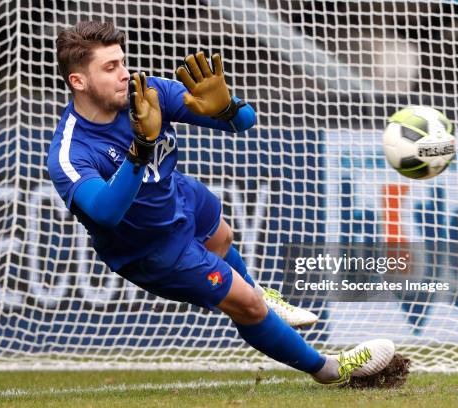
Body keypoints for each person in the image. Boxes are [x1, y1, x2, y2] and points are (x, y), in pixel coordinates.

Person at [47, 21, 394, 384]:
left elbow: (244, 122)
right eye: (110, 67)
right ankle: (328, 370)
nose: (125, 74)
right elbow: (106, 213)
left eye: (123, 62)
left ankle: (261, 292)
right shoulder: (70, 152)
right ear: (78, 82)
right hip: (150, 250)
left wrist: (227, 107)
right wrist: (141, 148)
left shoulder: (149, 93)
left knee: (223, 236)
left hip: (177, 196)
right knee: (247, 305)